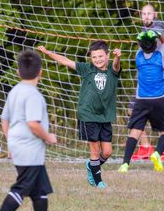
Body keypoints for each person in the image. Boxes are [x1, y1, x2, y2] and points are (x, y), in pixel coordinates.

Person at [0, 50, 57, 211]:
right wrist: (48, 137)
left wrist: (10, 142)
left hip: (19, 145)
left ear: (18, 72)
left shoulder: (15, 91)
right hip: (29, 148)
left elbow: (5, 119)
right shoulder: (34, 95)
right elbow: (33, 124)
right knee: (22, 188)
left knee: (39, 188)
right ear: (40, 72)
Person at [38, 41, 121, 188]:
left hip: (105, 116)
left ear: (107, 56)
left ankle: (92, 166)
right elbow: (65, 61)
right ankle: (98, 181)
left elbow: (116, 65)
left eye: (100, 56)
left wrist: (117, 57)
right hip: (87, 114)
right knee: (95, 150)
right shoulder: (87, 68)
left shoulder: (112, 71)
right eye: (94, 57)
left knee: (107, 152)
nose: (97, 60)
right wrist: (47, 52)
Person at [118, 30, 164, 173]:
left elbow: (141, 45)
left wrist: (144, 37)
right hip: (159, 99)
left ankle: (125, 164)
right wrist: (157, 33)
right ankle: (157, 153)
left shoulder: (138, 56)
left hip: (141, 100)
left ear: (140, 46)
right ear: (156, 44)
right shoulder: (160, 55)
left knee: (135, 132)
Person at [131, 4, 164, 161]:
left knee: (160, 115)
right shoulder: (143, 30)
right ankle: (146, 147)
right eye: (143, 14)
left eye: (149, 13)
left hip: (156, 81)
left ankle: (163, 150)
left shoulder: (158, 27)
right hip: (143, 81)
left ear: (155, 14)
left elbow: (162, 41)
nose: (146, 16)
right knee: (133, 111)